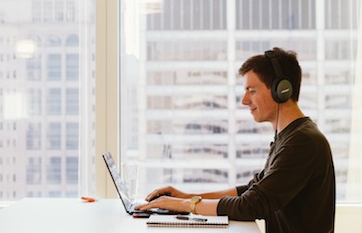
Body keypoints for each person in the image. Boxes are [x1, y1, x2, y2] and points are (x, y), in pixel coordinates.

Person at [135, 47, 336, 233]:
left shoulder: (303, 142)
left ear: (281, 91)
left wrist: (185, 206)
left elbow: (252, 205)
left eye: (252, 91)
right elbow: (249, 190)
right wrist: (186, 196)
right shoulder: (289, 137)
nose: (244, 100)